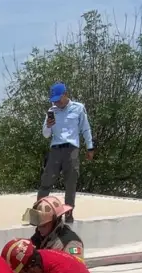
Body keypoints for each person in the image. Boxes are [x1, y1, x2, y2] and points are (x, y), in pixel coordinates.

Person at [39, 82, 94, 222]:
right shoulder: (52, 111)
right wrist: (48, 126)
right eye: (54, 100)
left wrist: (90, 147)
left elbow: (85, 129)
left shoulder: (78, 108)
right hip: (56, 149)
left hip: (71, 149)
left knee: (71, 182)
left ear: (65, 94)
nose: (56, 102)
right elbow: (45, 135)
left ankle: (68, 212)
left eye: (58, 98)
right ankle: (39, 212)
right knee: (46, 180)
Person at [25, 195, 85, 260]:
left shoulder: (72, 243)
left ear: (55, 221)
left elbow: (76, 268)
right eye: (38, 225)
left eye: (43, 225)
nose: (39, 229)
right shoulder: (41, 236)